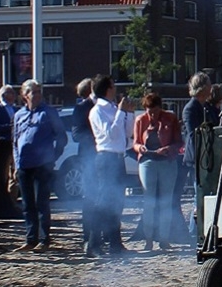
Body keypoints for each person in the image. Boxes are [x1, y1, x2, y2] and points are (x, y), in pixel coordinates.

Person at [13, 79, 67, 251]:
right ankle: (30, 239)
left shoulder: (49, 113)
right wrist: (16, 164)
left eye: (38, 92)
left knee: (41, 202)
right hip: (24, 165)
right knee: (27, 204)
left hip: (43, 164)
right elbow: (15, 141)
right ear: (24, 95)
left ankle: (44, 239)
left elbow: (61, 136)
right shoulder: (18, 115)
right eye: (33, 92)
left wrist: (53, 156)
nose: (36, 95)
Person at [86, 75, 135, 257]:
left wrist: (128, 114)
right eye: (113, 87)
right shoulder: (97, 111)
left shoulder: (114, 109)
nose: (115, 90)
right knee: (103, 203)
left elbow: (127, 134)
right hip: (106, 159)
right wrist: (122, 113)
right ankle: (93, 244)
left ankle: (116, 243)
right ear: (107, 89)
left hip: (118, 158)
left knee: (117, 202)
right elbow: (111, 134)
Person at [133, 91, 181, 251]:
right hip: (147, 162)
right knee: (149, 201)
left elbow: (178, 141)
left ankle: (164, 238)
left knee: (166, 202)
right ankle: (148, 239)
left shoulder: (171, 119)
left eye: (155, 111)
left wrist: (168, 149)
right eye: (149, 111)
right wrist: (141, 147)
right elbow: (135, 142)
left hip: (166, 161)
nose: (152, 115)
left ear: (160, 108)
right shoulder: (140, 120)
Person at [181, 73, 213, 242]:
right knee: (198, 195)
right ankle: (194, 233)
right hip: (197, 159)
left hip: (206, 157)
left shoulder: (204, 107)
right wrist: (201, 156)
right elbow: (193, 135)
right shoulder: (191, 108)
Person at [72, 77, 98, 253]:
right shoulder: (82, 108)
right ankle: (87, 237)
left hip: (105, 159)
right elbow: (76, 134)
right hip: (89, 157)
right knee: (90, 199)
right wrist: (98, 140)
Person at [0, 85, 18, 214]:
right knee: (3, 175)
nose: (13, 95)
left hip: (16, 145)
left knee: (16, 175)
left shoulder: (18, 109)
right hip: (4, 145)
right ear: (3, 95)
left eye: (13, 93)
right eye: (10, 93)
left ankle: (12, 203)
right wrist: (11, 127)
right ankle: (2, 204)